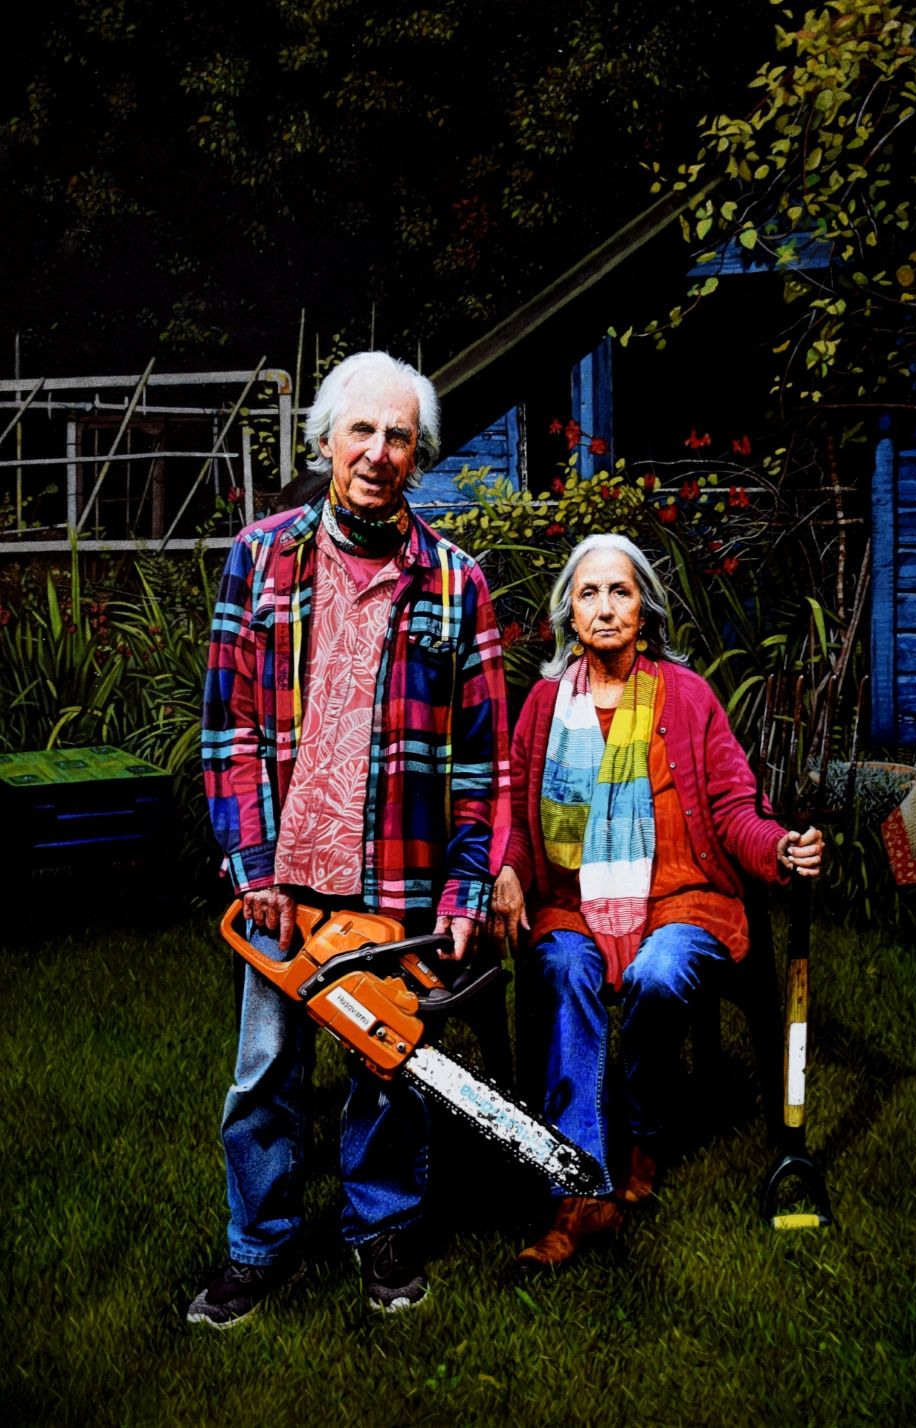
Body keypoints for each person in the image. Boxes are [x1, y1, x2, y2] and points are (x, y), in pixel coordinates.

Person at [188, 350, 510, 1326]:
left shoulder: (456, 584)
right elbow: (229, 731)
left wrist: (463, 892)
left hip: (398, 880)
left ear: (419, 456)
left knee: (389, 1070)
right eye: (360, 430)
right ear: (325, 440)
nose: (376, 452)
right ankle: (258, 1244)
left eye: (397, 436)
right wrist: (254, 866)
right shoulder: (262, 556)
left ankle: (382, 1230)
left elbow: (481, 763)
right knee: (264, 1076)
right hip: (283, 884)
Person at [490, 533, 823, 1273]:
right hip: (573, 907)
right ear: (569, 615)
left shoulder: (688, 695)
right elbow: (515, 818)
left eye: (621, 592)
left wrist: (777, 849)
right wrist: (508, 870)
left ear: (646, 610)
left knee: (659, 974)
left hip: (682, 898)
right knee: (565, 971)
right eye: (589, 594)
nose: (605, 608)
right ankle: (577, 1194)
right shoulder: (544, 707)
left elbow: (733, 806)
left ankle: (643, 1131)